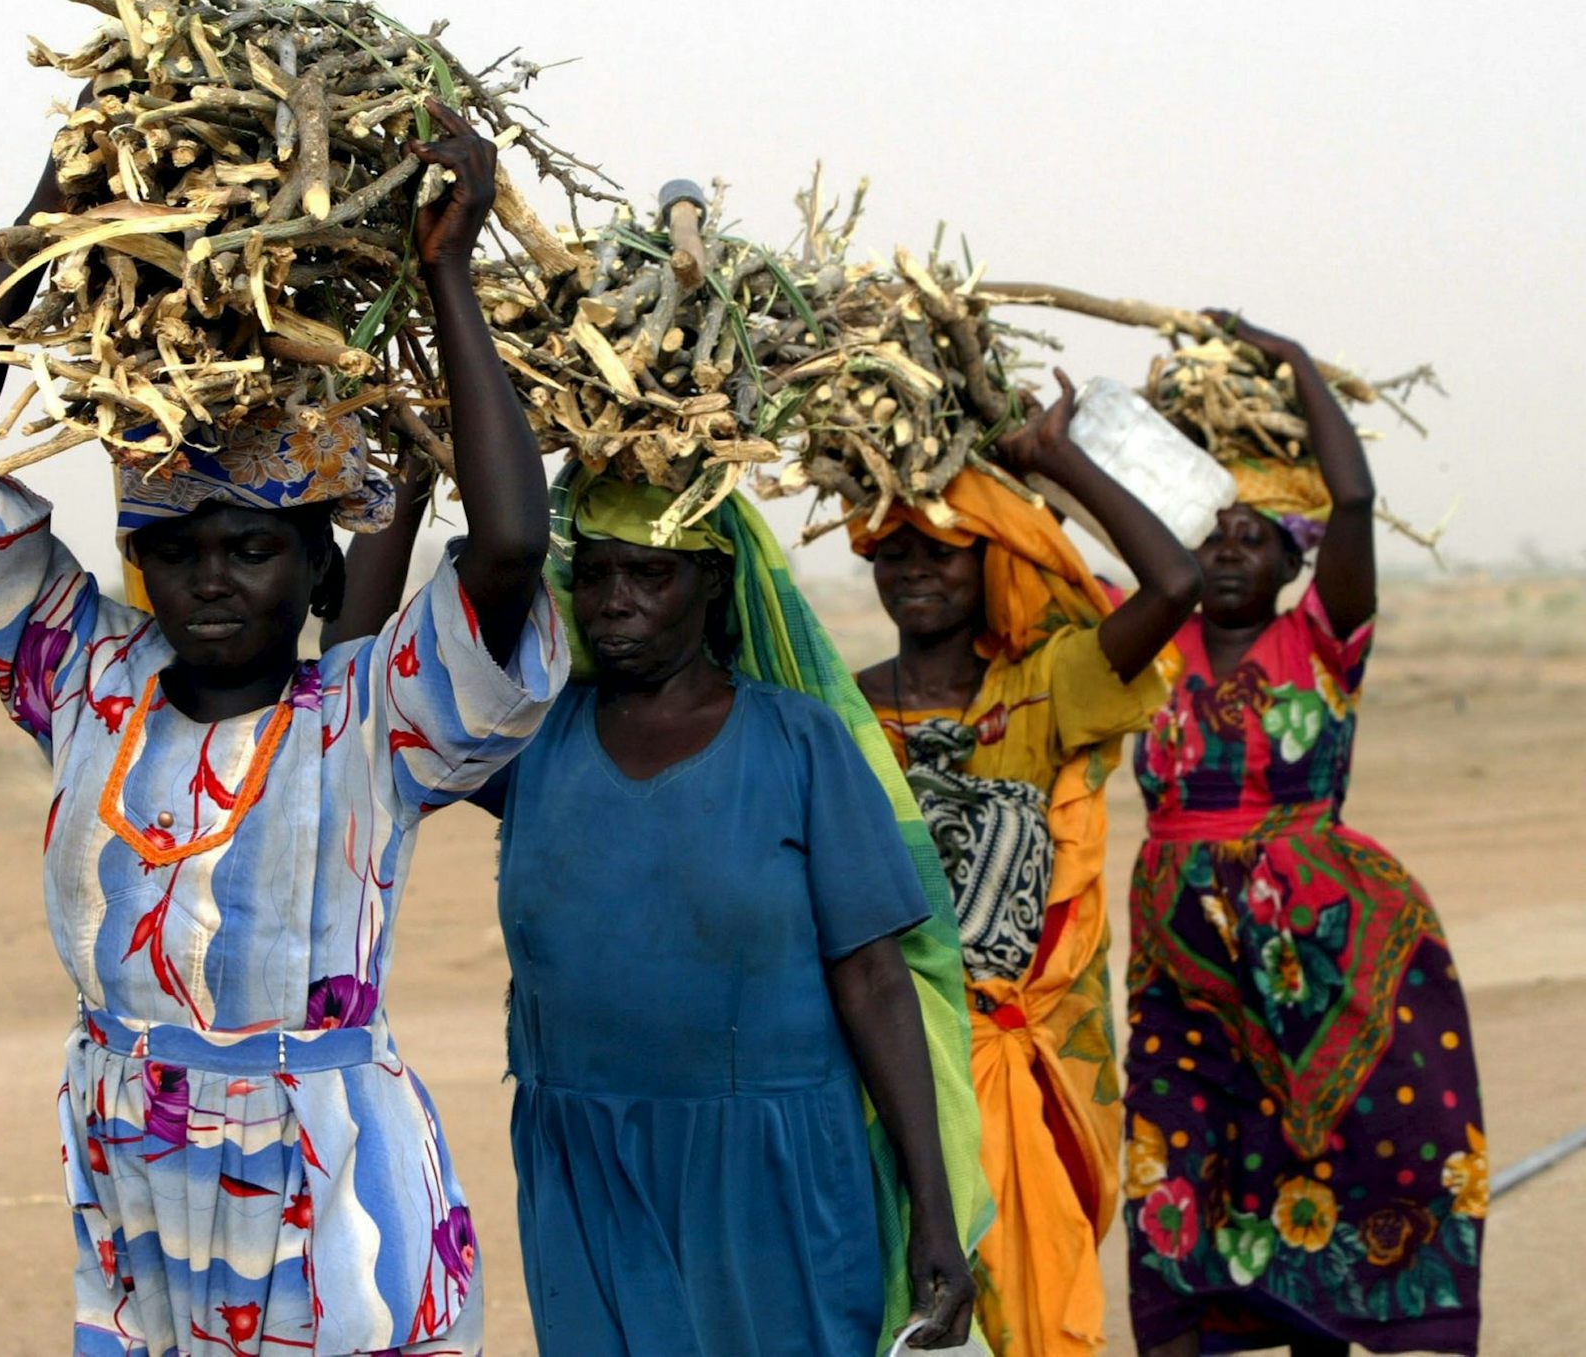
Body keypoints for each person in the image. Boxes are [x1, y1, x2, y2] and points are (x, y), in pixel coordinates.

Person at [0, 99, 566, 1356]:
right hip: (132, 1167)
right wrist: (51, 221)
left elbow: (512, 548)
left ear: (318, 573)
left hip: (325, 1173)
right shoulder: (88, 681)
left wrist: (449, 276)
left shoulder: (371, 719)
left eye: (253, 549)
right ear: (138, 564)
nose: (211, 580)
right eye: (176, 551)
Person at [464, 471, 994, 1356]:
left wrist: (933, 1215)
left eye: (650, 574)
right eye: (594, 575)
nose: (614, 604)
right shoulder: (534, 745)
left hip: (773, 1168)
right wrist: (396, 494)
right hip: (582, 1159)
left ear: (713, 582)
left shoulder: (797, 742)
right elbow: (376, 682)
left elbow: (874, 978)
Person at [1121, 314, 1485, 1357]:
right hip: (1185, 956)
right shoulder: (1149, 643)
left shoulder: (1321, 640)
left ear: (1293, 558)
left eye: (1255, 536)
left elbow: (1356, 497)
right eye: (1210, 533)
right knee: (1182, 1171)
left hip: (1318, 952)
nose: (1229, 550)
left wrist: (1291, 362)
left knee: (1329, 1164)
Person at [851, 373, 1203, 1357]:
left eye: (946, 554)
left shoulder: (1051, 690)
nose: (917, 573)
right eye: (896, 553)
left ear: (991, 565)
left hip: (1017, 1072)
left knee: (1033, 1323)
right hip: (881, 1079)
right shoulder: (840, 711)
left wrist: (1054, 461)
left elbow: (1174, 587)